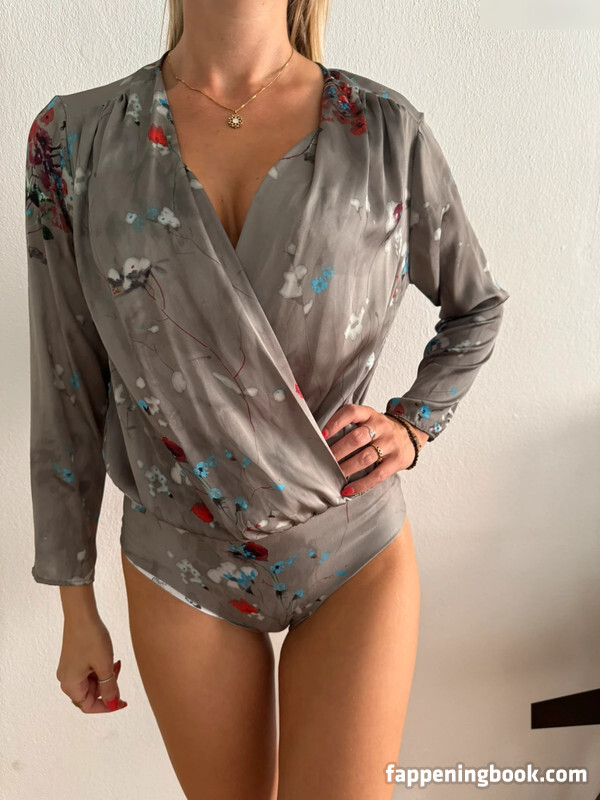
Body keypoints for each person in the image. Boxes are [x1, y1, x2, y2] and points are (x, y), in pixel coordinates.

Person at [24, 1, 509, 797]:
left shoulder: (384, 133)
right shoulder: (75, 141)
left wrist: (413, 424)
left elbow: (476, 307)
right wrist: (74, 602)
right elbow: (66, 380)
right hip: (179, 562)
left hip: (350, 553)